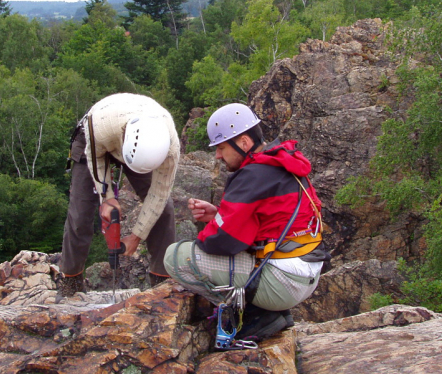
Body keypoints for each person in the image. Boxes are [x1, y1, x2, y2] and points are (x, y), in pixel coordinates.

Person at [164, 103, 330, 341]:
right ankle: (270, 310)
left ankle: (253, 314)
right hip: (306, 272)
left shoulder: (252, 175)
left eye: (221, 147)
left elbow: (221, 242)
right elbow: (268, 221)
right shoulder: (281, 163)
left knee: (176, 256)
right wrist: (219, 214)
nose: (218, 155)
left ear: (243, 142)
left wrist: (214, 226)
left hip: (283, 283)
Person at [58, 93, 180, 296]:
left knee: (164, 212)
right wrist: (107, 198)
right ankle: (70, 281)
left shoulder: (170, 149)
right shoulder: (101, 126)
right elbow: (96, 158)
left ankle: (161, 281)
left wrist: (136, 236)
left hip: (140, 151)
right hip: (94, 141)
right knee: (80, 214)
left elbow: (158, 196)